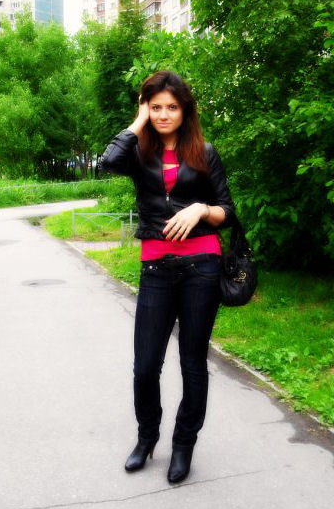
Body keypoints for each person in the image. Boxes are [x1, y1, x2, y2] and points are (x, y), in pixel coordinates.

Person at [98, 70, 236, 484]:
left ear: (185, 110)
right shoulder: (139, 153)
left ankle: (183, 445)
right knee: (145, 366)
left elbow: (228, 211)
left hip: (201, 268)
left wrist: (200, 209)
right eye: (155, 107)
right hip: (156, 269)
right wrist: (138, 120)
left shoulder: (204, 153)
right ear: (145, 108)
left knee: (192, 363)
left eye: (171, 107)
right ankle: (147, 438)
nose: (163, 114)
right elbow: (107, 163)